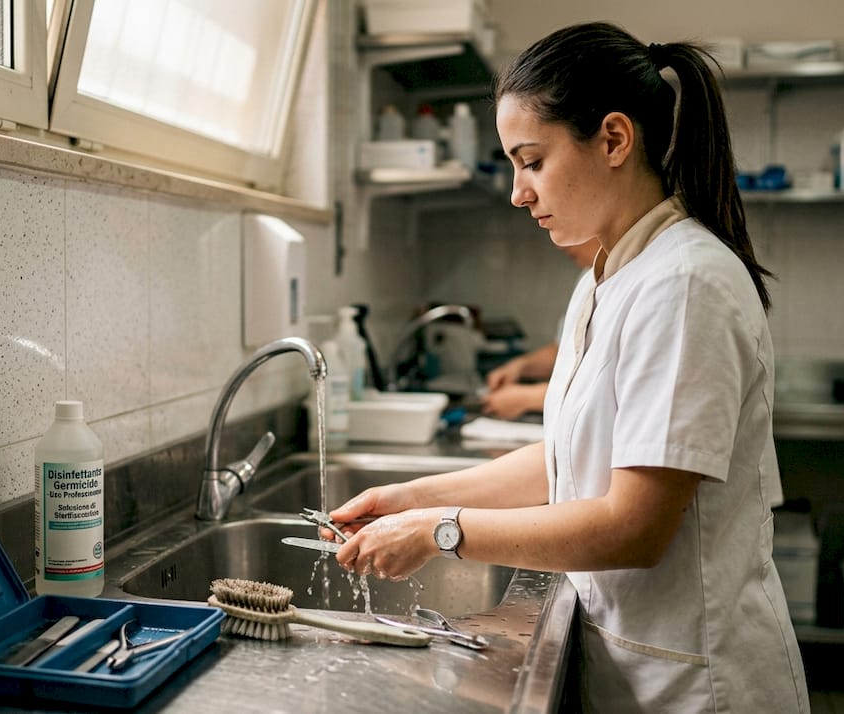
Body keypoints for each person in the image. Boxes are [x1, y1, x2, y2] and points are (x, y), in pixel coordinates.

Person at [324, 21, 808, 712]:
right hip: (636, 664)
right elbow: (568, 459)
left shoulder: (685, 283)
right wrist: (409, 498)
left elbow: (633, 526)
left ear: (614, 139)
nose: (518, 192)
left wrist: (440, 531)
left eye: (532, 160)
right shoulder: (608, 277)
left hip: (700, 683)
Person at [480, 239, 599, 420]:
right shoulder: (587, 278)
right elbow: (568, 349)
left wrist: (527, 398)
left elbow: (605, 389)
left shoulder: (635, 278)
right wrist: (520, 366)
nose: (560, 245)